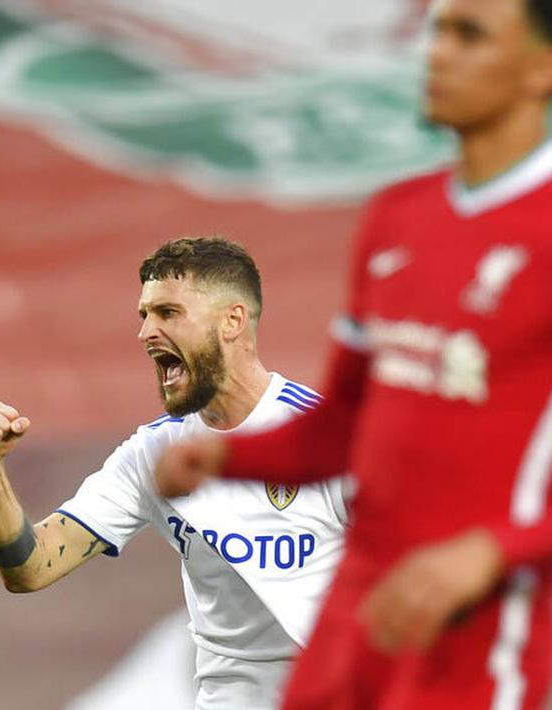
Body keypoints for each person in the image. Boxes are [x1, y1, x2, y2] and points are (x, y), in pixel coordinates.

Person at [154, 1, 552, 707]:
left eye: (469, 35)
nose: (437, 53)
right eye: (437, 31)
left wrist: (494, 549)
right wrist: (225, 457)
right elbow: (346, 423)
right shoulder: (397, 216)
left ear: (541, 68)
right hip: (360, 610)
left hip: (478, 624)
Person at [0, 237, 349, 709]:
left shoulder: (328, 436)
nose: (146, 332)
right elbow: (29, 568)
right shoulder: (152, 454)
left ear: (232, 321)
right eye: (145, 315)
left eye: (168, 313)